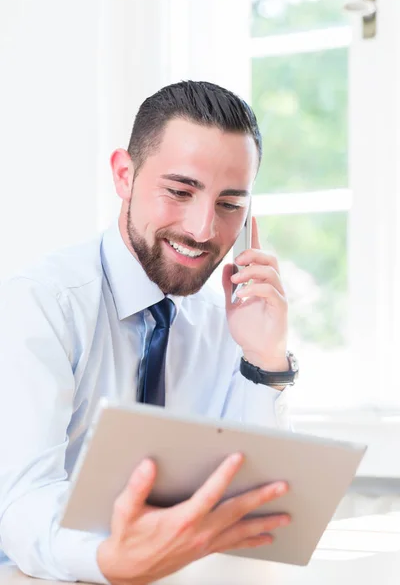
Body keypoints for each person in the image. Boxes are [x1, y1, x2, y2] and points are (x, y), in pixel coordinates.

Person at [0, 81, 298, 584]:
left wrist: (264, 359)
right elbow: (21, 503)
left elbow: (255, 500)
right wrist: (108, 561)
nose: (203, 229)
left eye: (230, 204)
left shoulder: (225, 320)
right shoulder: (42, 304)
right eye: (180, 192)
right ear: (124, 174)